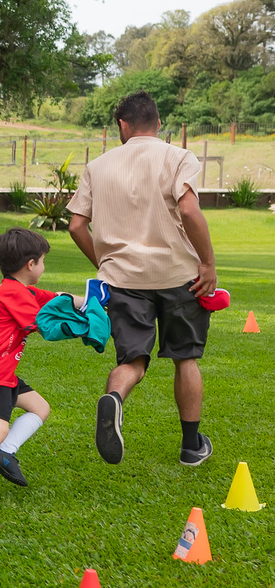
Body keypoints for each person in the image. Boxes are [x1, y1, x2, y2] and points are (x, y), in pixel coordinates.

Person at [67, 90, 218, 467]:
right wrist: (208, 263)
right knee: (185, 359)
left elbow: (76, 225)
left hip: (123, 279)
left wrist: (105, 262)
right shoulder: (178, 156)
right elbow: (188, 209)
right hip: (178, 275)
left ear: (122, 124)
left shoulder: (98, 166)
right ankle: (190, 445)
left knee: (133, 360)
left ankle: (114, 400)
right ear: (159, 122)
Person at [0, 228, 83, 507]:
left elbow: (57, 298)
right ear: (30, 265)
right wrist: (85, 327)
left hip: (0, 369)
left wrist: (93, 301)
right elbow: (43, 326)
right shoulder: (13, 293)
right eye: (43, 261)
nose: (44, 267)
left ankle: (4, 453)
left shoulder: (21, 289)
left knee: (39, 408)